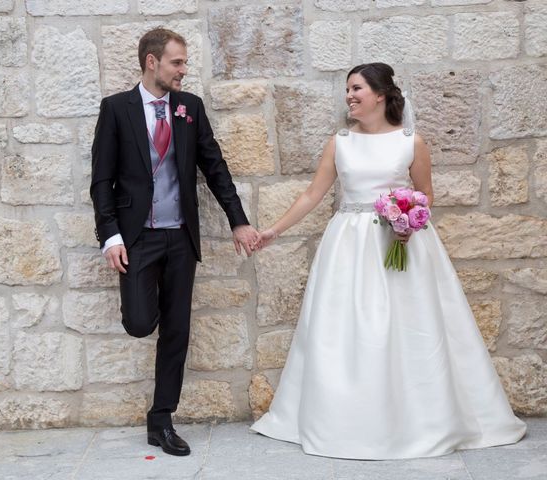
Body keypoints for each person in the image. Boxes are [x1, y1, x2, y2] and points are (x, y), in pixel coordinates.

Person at [250, 63, 526, 459]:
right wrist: (273, 231)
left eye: (356, 88)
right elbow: (313, 194)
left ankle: (420, 418)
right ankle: (345, 418)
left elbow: (425, 194)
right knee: (345, 330)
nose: (349, 95)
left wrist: (408, 223)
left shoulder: (411, 142)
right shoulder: (340, 142)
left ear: (380, 94)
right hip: (348, 246)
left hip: (402, 245)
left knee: (410, 327)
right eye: (348, 89)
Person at [90, 28, 258, 457]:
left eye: (184, 63)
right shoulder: (116, 109)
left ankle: (161, 419)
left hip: (180, 237)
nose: (183, 70)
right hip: (137, 237)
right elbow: (101, 181)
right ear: (152, 62)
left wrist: (238, 221)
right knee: (141, 323)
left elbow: (214, 168)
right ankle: (143, 318)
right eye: (177, 63)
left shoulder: (190, 108)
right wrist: (111, 236)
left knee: (177, 330)